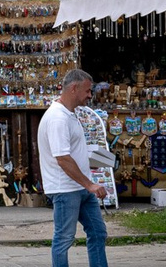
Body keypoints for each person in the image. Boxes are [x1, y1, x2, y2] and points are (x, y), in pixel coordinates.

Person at [36, 68, 112, 267]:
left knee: (98, 232)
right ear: (74, 88)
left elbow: (74, 151)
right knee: (64, 238)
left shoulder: (69, 114)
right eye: (87, 91)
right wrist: (90, 185)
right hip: (65, 189)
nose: (90, 95)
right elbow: (62, 158)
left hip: (80, 187)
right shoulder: (58, 118)